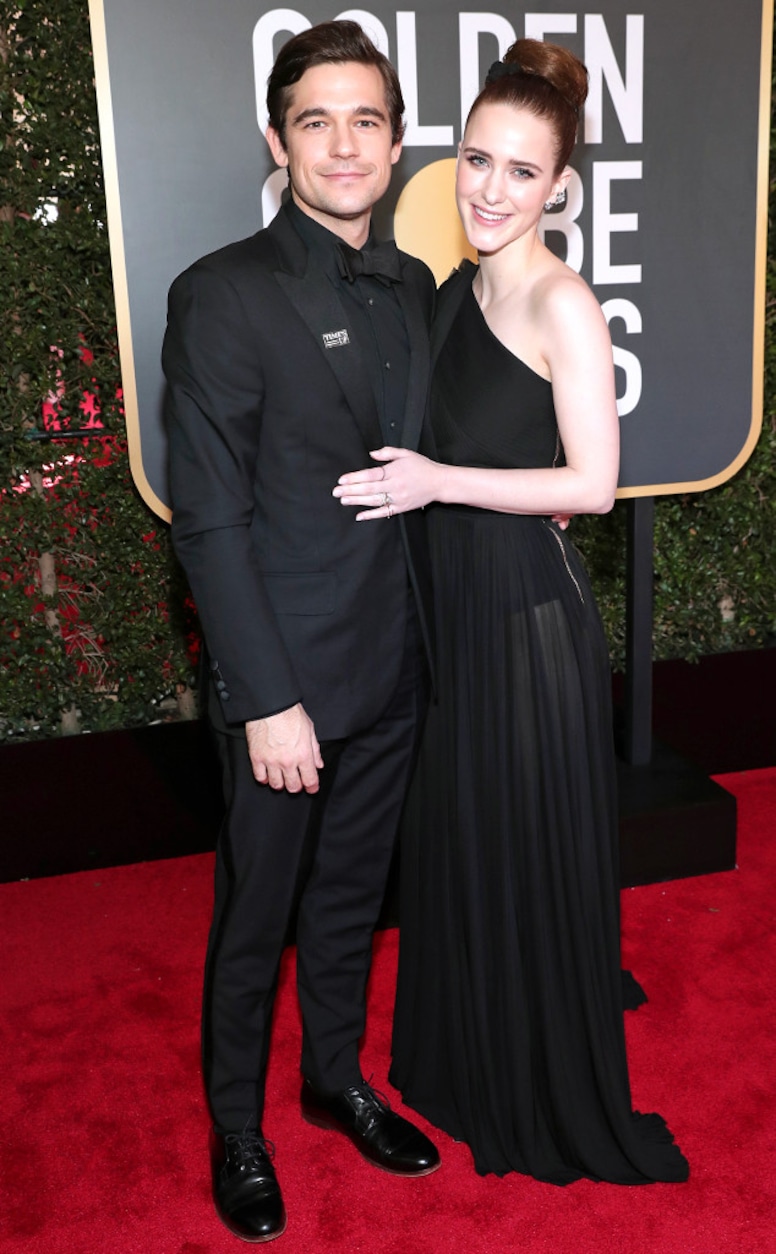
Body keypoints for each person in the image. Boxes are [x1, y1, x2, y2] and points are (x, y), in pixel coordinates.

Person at [334, 39, 689, 1184]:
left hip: (524, 633)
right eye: (476, 161)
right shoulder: (447, 290)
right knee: (461, 851)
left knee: (516, 855)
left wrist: (445, 483)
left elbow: (589, 483)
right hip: (450, 621)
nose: (489, 189)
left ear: (559, 189)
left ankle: (532, 1080)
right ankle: (459, 1059)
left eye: (519, 173)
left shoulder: (559, 302)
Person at [162, 20, 440, 1243]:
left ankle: (336, 1079)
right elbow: (208, 521)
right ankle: (237, 1124)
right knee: (255, 914)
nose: (342, 142)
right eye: (315, 119)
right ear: (277, 142)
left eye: (365, 119)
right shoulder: (220, 293)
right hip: (286, 681)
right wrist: (262, 697)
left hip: (394, 663)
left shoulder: (415, 285)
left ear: (394, 145)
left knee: (347, 899)